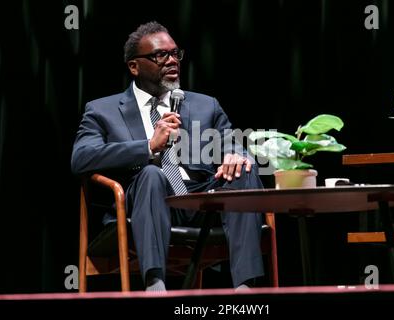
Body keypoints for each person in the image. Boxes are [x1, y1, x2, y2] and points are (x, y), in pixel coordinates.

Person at [71, 21, 264, 291]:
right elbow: (81, 158)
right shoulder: (102, 110)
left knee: (244, 169)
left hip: (200, 202)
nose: (172, 60)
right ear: (134, 66)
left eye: (175, 54)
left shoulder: (204, 105)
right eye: (161, 55)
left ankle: (246, 289)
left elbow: (234, 143)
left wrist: (235, 155)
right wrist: (148, 146)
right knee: (152, 173)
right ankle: (155, 285)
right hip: (145, 203)